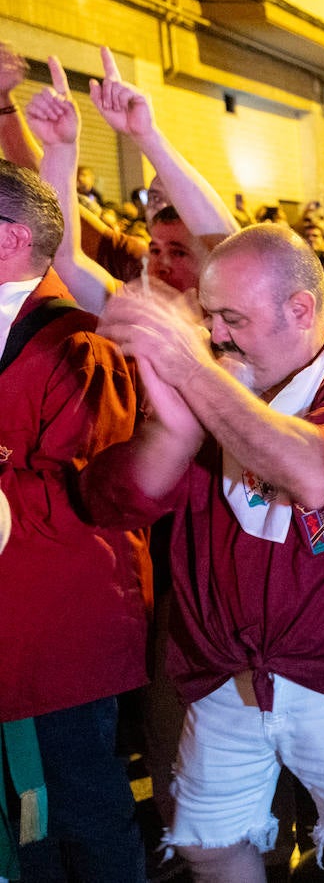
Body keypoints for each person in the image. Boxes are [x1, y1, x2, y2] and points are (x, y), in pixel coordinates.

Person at [83, 225, 324, 883]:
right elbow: (116, 501)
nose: (214, 337)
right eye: (208, 319)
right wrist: (175, 431)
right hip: (226, 672)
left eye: (231, 318)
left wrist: (190, 373)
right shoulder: (216, 384)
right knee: (206, 842)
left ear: (300, 310)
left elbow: (315, 475)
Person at [0, 158, 149, 881]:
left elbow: (102, 492)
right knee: (24, 827)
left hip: (64, 628)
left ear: (7, 241)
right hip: (13, 623)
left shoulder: (80, 345)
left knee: (85, 810)